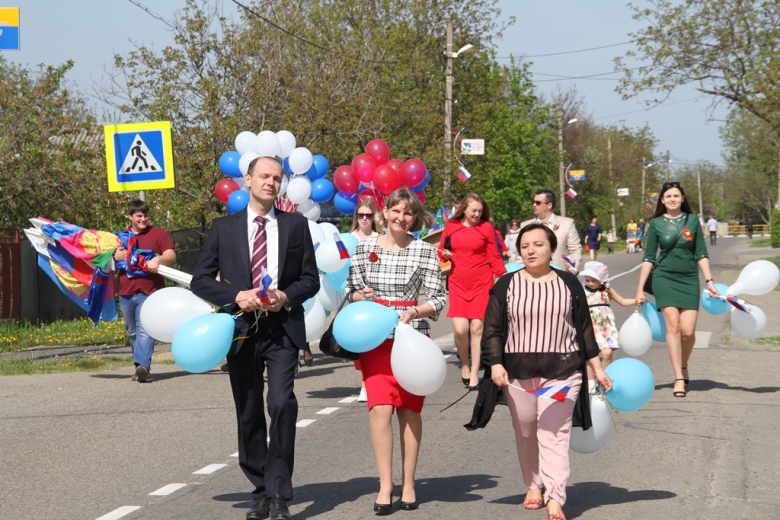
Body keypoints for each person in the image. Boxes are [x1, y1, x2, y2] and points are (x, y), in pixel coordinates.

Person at [191, 156, 319, 520]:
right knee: (248, 411)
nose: (271, 183)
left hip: (282, 329)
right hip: (241, 331)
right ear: (246, 180)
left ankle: (279, 493)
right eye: (264, 176)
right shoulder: (223, 228)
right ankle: (261, 489)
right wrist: (236, 297)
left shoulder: (295, 226)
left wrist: (286, 296)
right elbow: (201, 279)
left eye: (276, 178)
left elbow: (310, 278)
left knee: (281, 403)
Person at [482, 223, 612, 520]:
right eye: (525, 245)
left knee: (552, 432)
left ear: (552, 249)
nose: (530, 250)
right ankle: (534, 483)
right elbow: (492, 328)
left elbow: (584, 329)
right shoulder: (506, 284)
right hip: (518, 373)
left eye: (538, 244)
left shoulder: (568, 283)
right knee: (526, 428)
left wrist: (597, 367)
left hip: (562, 370)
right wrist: (496, 363)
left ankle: (555, 496)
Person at [346, 188, 447, 514]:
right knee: (379, 410)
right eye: (396, 211)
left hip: (412, 339)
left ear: (414, 218)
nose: (401, 218)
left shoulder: (423, 251)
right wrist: (362, 296)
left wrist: (415, 312)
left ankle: (409, 483)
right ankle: (385, 485)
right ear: (384, 212)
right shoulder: (364, 248)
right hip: (373, 339)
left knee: (408, 411)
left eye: (408, 213)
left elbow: (439, 297)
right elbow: (350, 290)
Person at [635, 181, 720, 399]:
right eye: (668, 196)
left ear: (682, 198)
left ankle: (683, 364)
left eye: (676, 196)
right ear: (662, 200)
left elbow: (701, 252)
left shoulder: (692, 220)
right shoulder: (655, 224)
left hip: (689, 278)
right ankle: (678, 378)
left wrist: (709, 281)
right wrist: (639, 289)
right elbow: (648, 258)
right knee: (673, 327)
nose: (672, 199)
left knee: (688, 332)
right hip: (664, 278)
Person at [439, 193, 507, 389]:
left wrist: (502, 275)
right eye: (473, 211)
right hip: (458, 283)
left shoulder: (486, 227)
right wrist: (446, 255)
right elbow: (442, 252)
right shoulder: (452, 226)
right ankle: (465, 365)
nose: (477, 214)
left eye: (479, 211)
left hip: (482, 282)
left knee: (477, 328)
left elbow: (494, 255)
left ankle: (475, 372)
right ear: (464, 210)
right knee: (460, 330)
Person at [113, 200, 176, 383]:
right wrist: (115, 256)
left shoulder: (158, 233)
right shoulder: (120, 238)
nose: (143, 219)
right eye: (139, 215)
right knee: (132, 331)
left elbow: (171, 255)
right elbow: (107, 262)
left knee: (145, 329)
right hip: (126, 291)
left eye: (145, 215)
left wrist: (159, 259)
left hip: (150, 291)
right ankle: (138, 367)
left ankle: (143, 366)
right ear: (130, 217)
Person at [578, 261, 636, 393]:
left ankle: (603, 378)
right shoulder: (582, 290)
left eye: (594, 280)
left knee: (607, 353)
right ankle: (590, 382)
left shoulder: (607, 290)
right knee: (590, 356)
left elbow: (622, 301)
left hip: (606, 327)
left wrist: (635, 301)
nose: (590, 283)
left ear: (602, 279)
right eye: (588, 280)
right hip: (589, 326)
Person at [349, 200, 385, 402]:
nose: (364, 218)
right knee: (359, 342)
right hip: (355, 296)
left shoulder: (381, 239)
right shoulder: (348, 239)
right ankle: (365, 380)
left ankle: (368, 383)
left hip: (378, 296)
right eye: (361, 215)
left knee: (375, 342)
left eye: (368, 215)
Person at [520, 189, 582, 273]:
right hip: (532, 277)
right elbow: (520, 254)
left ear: (549, 205)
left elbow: (575, 250)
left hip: (561, 276)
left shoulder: (567, 223)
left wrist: (573, 269)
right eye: (533, 202)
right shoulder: (525, 226)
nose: (534, 205)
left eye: (538, 203)